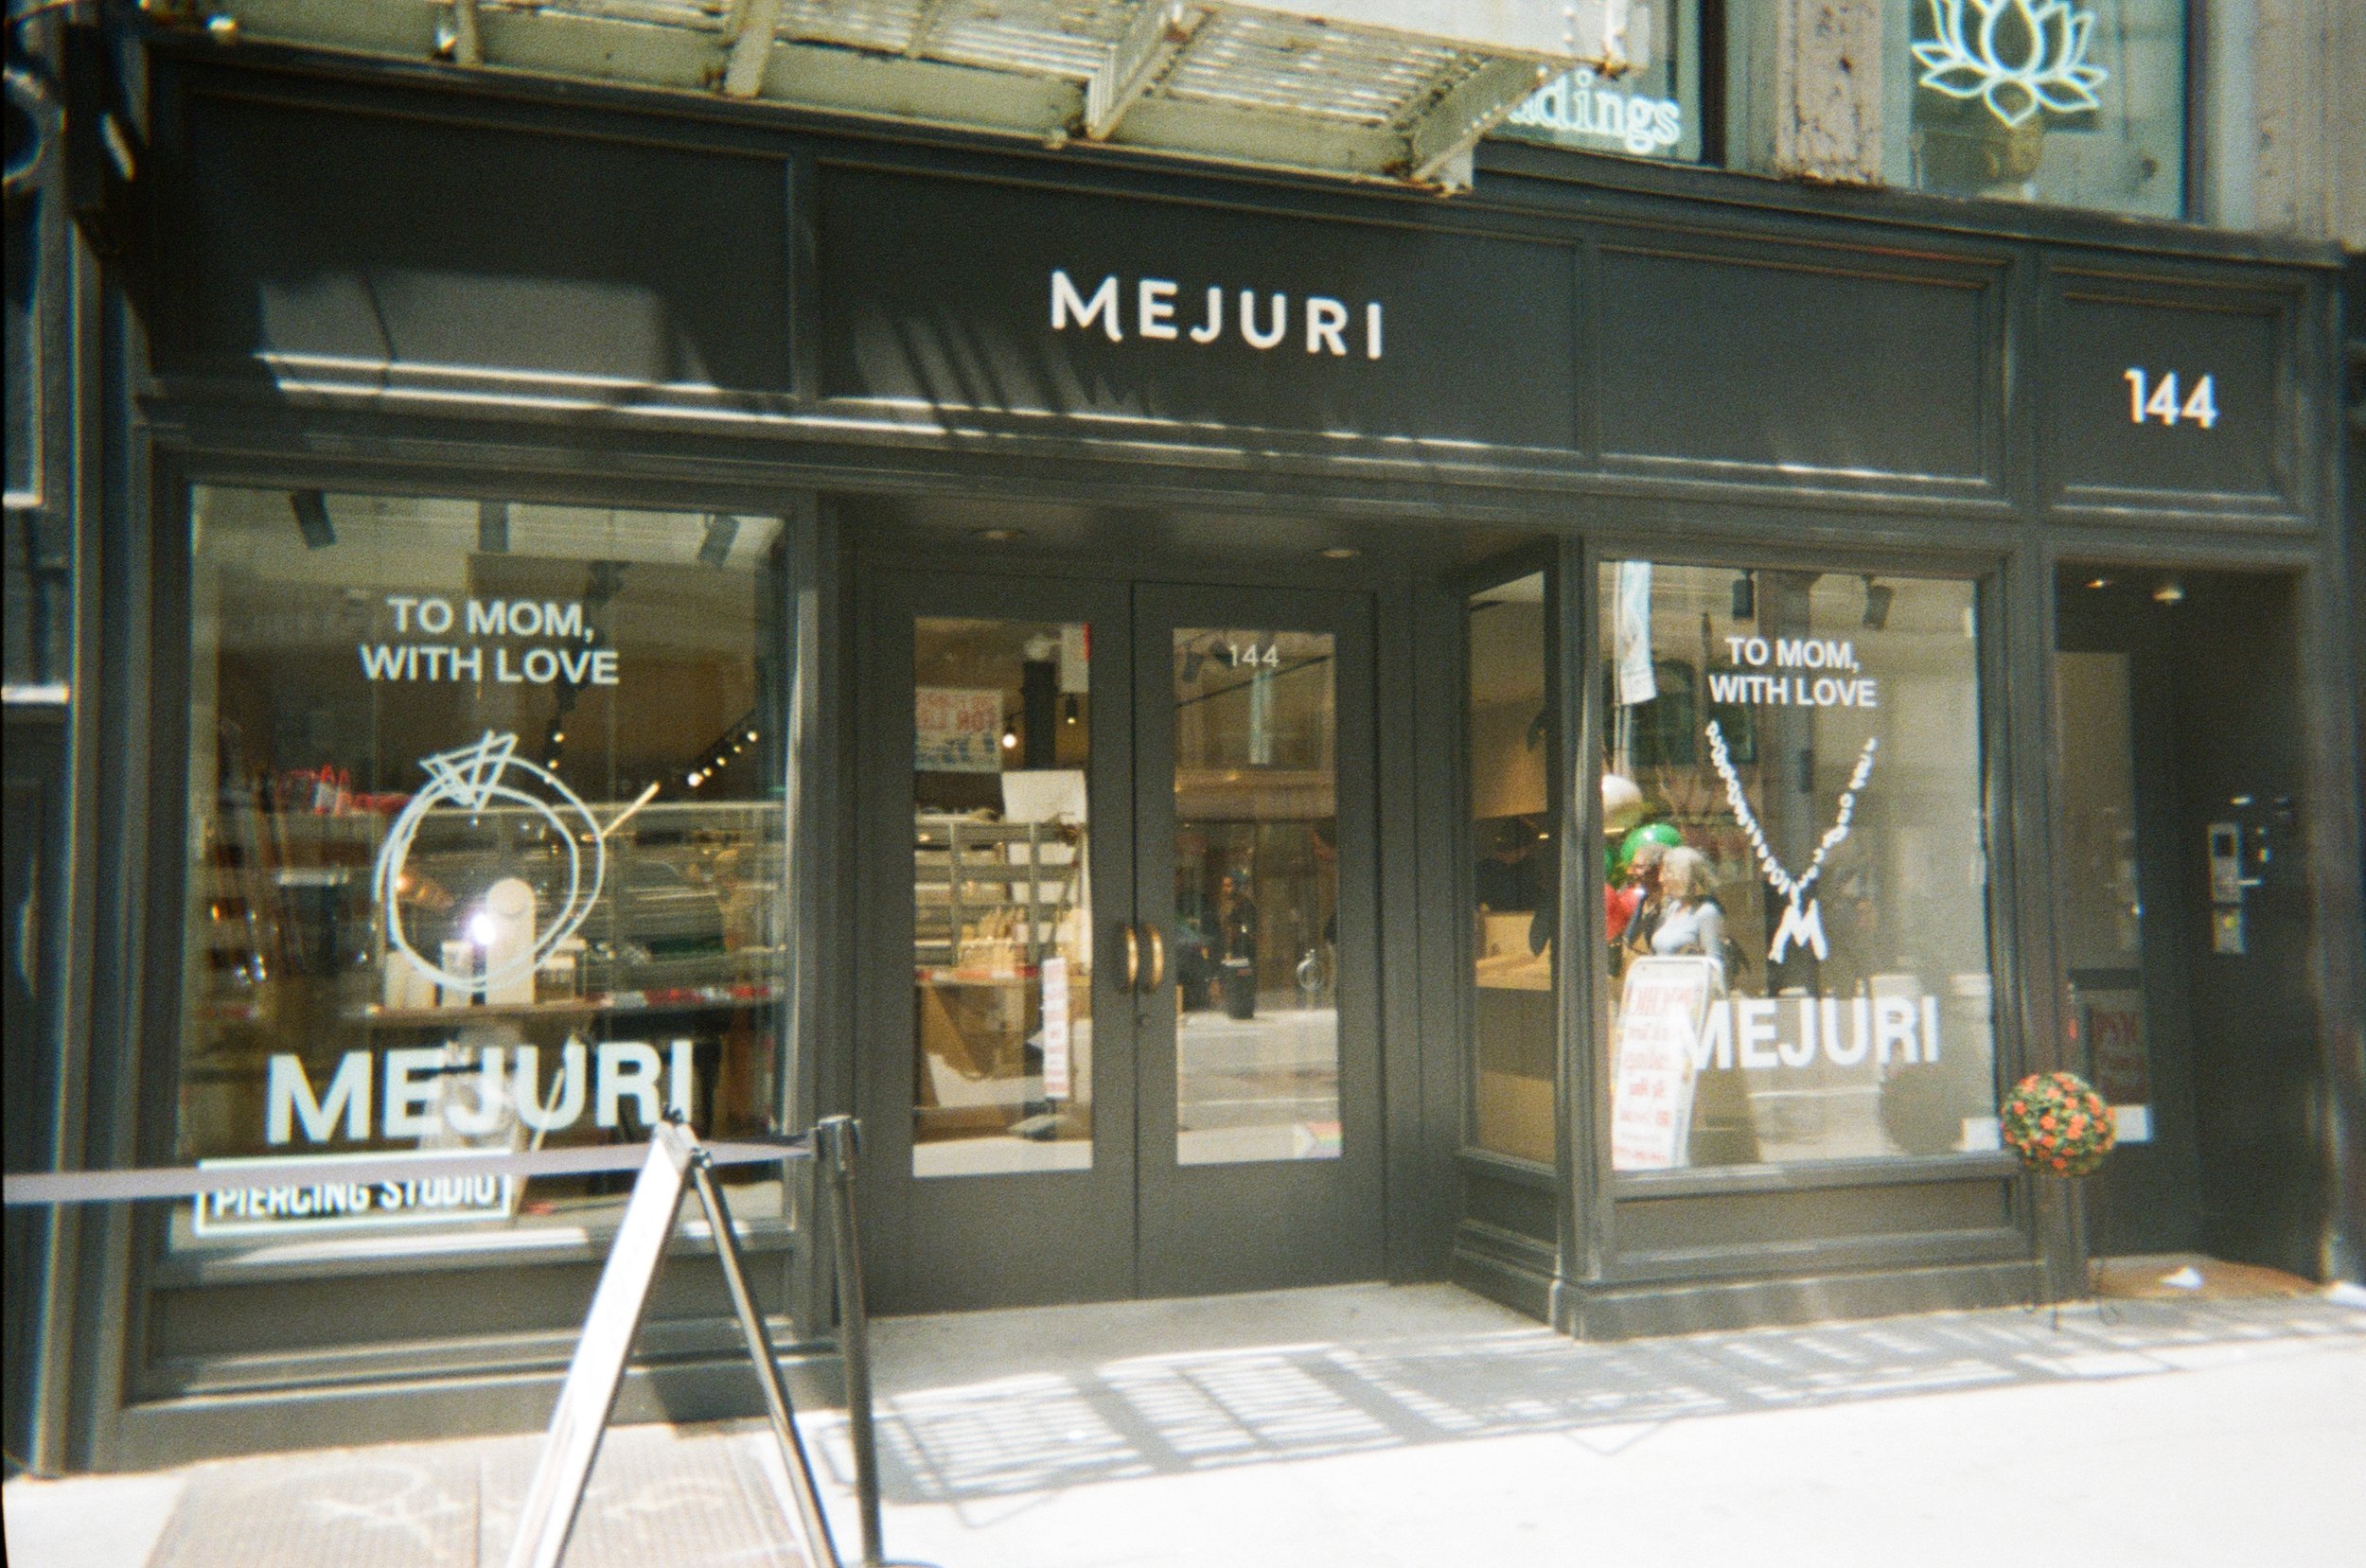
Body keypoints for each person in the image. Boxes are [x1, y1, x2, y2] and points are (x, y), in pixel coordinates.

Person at [1643, 845, 1727, 987]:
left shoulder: (1706, 912)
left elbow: (1715, 967)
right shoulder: (1673, 909)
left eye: (1666, 872)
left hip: (1688, 997)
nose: (1660, 879)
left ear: (1681, 875)